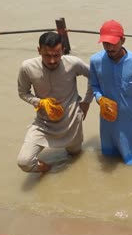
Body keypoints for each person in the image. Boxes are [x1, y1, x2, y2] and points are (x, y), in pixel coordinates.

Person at [17, 31, 93, 173]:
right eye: (47, 55)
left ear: (63, 51)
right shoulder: (27, 67)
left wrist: (86, 102)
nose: (52, 60)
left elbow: (94, 77)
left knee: (75, 158)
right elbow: (23, 92)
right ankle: (48, 169)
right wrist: (39, 102)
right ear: (39, 51)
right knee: (25, 162)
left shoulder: (73, 63)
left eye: (56, 55)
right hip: (44, 123)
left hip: (71, 122)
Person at [90, 19, 132, 165]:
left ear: (123, 40)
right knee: (110, 157)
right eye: (105, 43)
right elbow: (94, 85)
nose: (109, 48)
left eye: (113, 43)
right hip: (108, 121)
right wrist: (100, 98)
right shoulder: (95, 61)